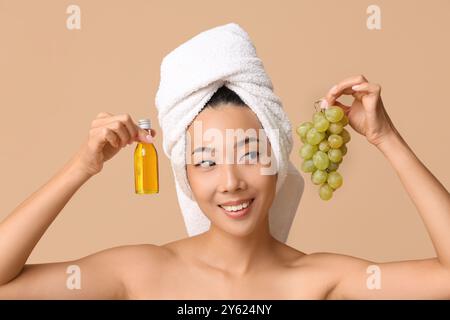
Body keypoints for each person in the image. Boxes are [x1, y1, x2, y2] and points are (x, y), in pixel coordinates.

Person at [0, 75, 449, 299]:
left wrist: (385, 138)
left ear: (277, 159)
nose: (231, 182)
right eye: (206, 161)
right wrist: (81, 167)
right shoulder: (139, 274)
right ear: (186, 176)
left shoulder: (319, 281)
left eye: (251, 153)